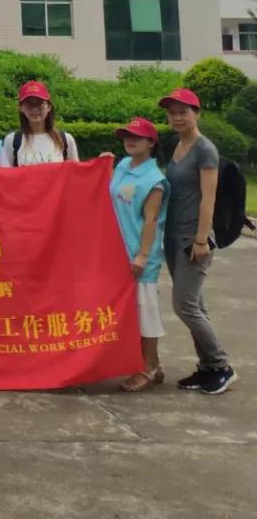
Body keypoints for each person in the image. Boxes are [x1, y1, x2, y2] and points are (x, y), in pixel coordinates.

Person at [159, 87, 236, 395]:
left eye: (183, 112)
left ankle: (221, 365)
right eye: (172, 113)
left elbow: (208, 197)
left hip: (194, 237)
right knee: (195, 305)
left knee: (185, 305)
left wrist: (202, 239)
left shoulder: (205, 149)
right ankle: (207, 369)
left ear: (197, 114)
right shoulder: (176, 144)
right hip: (173, 235)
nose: (177, 117)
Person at [110, 116, 169, 393]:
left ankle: (146, 368)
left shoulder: (154, 180)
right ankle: (154, 363)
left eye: (137, 137)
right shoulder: (123, 166)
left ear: (151, 142)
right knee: (130, 312)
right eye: (126, 136)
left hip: (139, 255)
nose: (130, 141)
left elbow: (151, 220)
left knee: (145, 313)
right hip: (118, 252)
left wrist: (143, 256)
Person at [0, 81, 78, 166]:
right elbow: (5, 172)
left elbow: (75, 171)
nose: (34, 109)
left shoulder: (66, 139)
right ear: (21, 107)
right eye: (29, 104)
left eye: (40, 103)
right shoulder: (12, 140)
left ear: (49, 107)